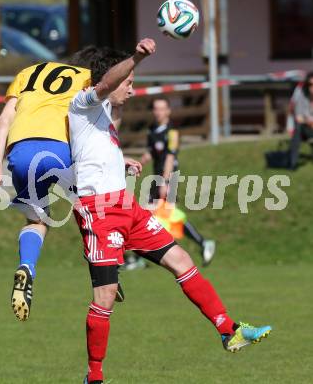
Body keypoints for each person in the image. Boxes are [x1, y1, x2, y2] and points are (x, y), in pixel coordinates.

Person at [68, 38, 272, 384]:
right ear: (112, 80)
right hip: (100, 211)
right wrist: (136, 57)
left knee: (182, 261)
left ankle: (228, 330)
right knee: (104, 296)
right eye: (129, 84)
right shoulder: (83, 103)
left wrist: (122, 160)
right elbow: (104, 85)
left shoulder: (102, 116)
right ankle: (95, 376)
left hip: (127, 208)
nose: (131, 91)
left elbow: (94, 151)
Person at [0, 60, 91, 321]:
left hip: (21, 151)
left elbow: (4, 118)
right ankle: (104, 271)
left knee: (37, 218)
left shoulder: (25, 73)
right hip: (59, 149)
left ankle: (27, 266)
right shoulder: (86, 76)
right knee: (89, 205)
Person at [139, 97, 215, 266]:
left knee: (164, 214)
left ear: (168, 111)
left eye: (162, 108)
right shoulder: (152, 129)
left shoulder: (172, 132)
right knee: (148, 214)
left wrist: (165, 182)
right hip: (157, 177)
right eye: (156, 109)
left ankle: (203, 243)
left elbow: (169, 156)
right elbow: (153, 151)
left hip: (168, 178)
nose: (158, 112)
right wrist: (140, 161)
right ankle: (141, 257)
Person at [289, 71, 313, 169]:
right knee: (298, 128)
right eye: (311, 84)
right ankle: (293, 163)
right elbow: (299, 118)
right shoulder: (302, 97)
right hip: (306, 129)